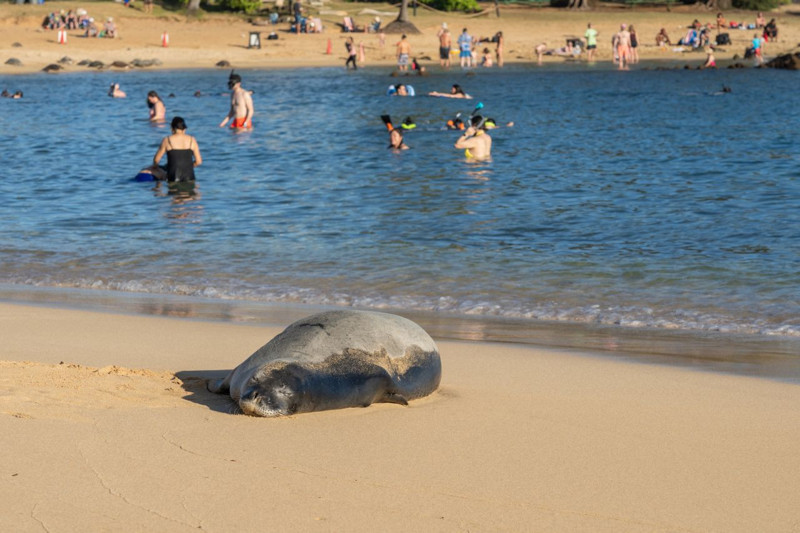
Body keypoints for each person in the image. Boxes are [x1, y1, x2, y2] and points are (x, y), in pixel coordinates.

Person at [153, 117, 202, 182]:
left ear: (172, 129)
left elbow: (156, 160)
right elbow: (199, 162)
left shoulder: (167, 140)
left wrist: (158, 170)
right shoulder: (192, 140)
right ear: (184, 129)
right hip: (189, 177)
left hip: (173, 177)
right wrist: (188, 166)